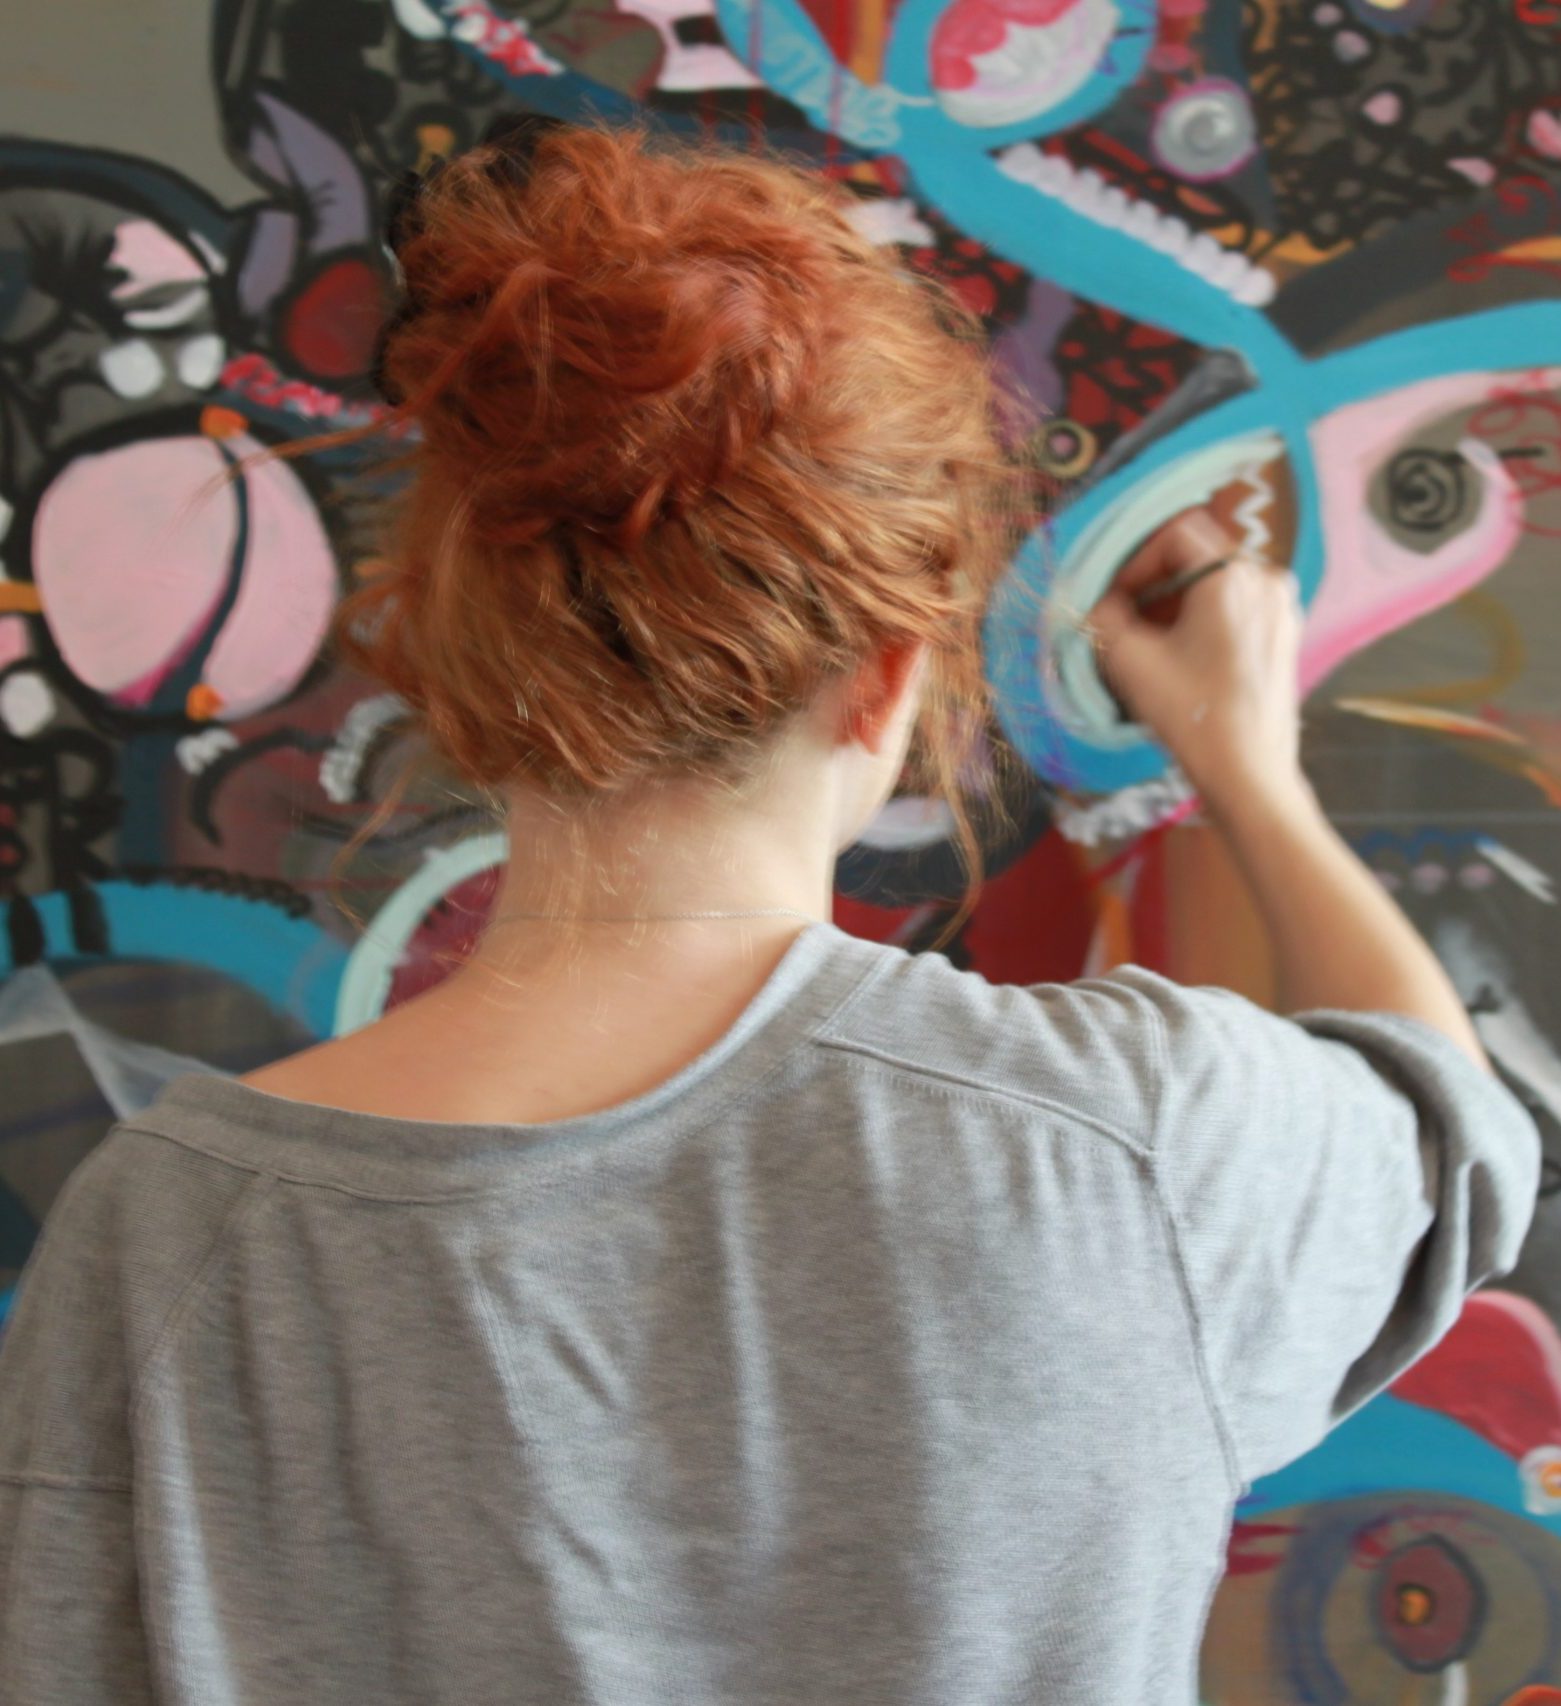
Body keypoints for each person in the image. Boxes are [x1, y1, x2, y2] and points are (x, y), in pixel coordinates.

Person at [0, 121, 1538, 1706]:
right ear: (886, 682)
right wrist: (1245, 764)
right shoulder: (1125, 1146)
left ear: (452, 666)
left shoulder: (168, 1239)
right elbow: (1447, 1122)